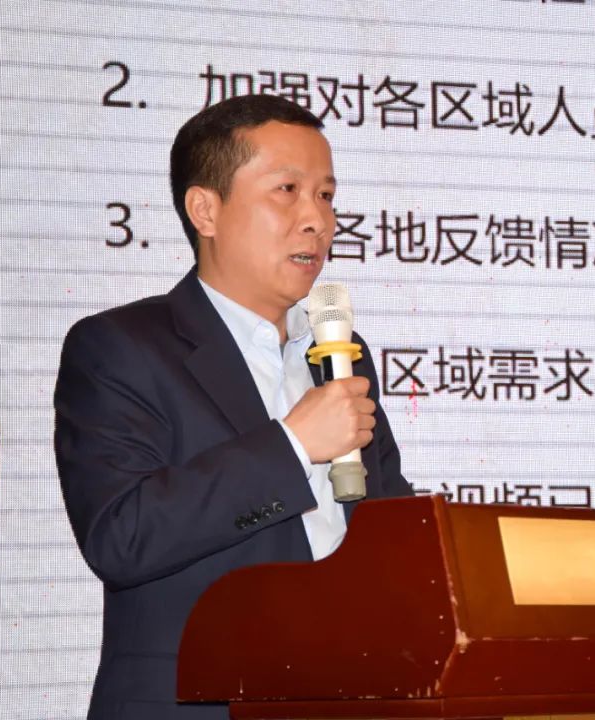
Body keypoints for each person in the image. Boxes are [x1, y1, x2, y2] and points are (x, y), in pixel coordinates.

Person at [54, 94, 412, 719]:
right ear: (205, 210)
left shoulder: (340, 355)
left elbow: (389, 528)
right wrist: (294, 447)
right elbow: (121, 535)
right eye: (287, 191)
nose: (318, 220)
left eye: (326, 195)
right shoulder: (121, 348)